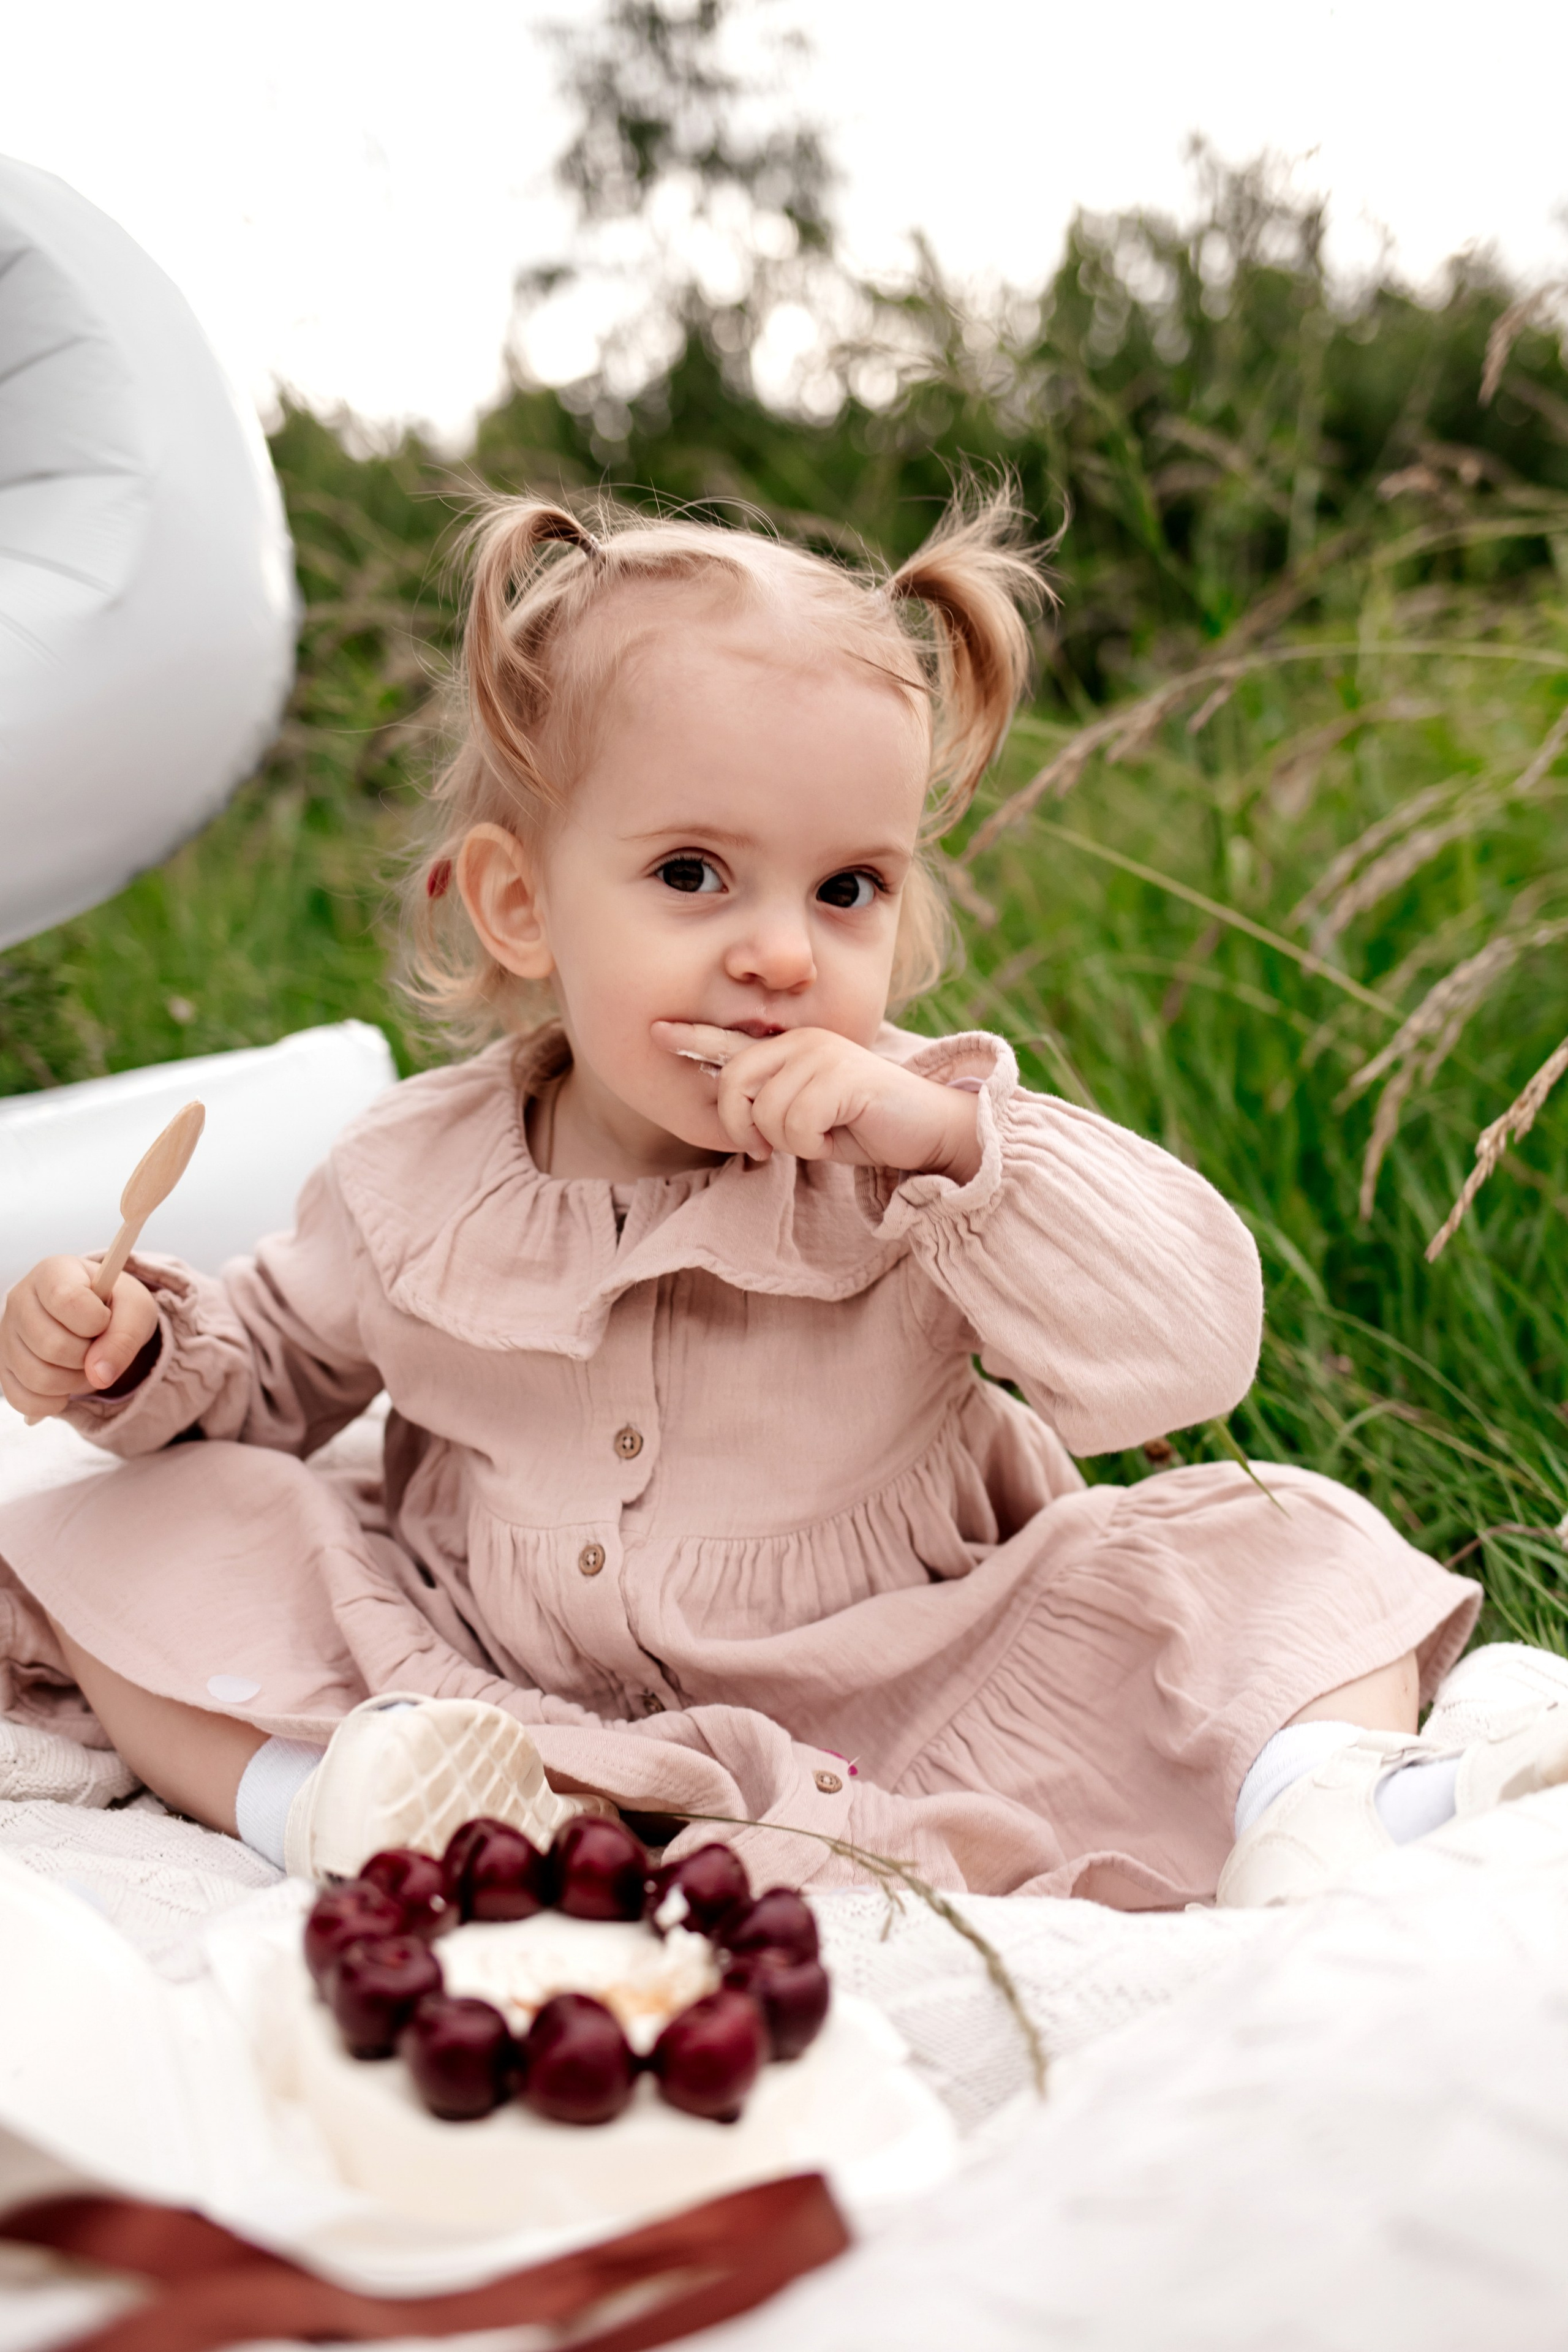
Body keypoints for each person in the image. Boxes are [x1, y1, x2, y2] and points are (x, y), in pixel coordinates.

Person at [0, 491, 1561, 1908]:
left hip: (910, 1678)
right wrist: (130, 1352)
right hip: (484, 1693)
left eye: (846, 888)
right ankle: (337, 1808)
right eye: (692, 875)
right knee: (134, 1520)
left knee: (1286, 1543)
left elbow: (1193, 1345)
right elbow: (265, 1380)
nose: (779, 953)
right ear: (520, 903)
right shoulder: (415, 1172)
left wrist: (942, 1142)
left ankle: (1319, 1813)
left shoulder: (910, 1142)